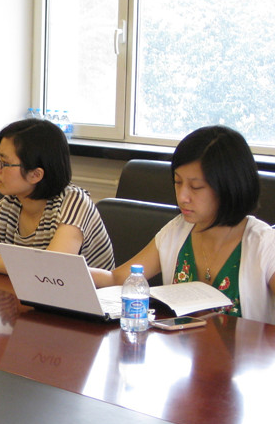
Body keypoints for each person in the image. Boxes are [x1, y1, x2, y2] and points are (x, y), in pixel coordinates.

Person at [91, 125, 275, 324]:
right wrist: (70, 271)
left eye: (196, 187)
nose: (182, 197)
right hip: (179, 344)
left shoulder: (265, 244)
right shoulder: (177, 231)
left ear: (229, 187)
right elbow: (118, 278)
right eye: (178, 182)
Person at [0, 119, 114, 273]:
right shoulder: (12, 202)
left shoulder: (74, 202)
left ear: (36, 175)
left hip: (87, 295)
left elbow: (52, 267)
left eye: (4, 163)